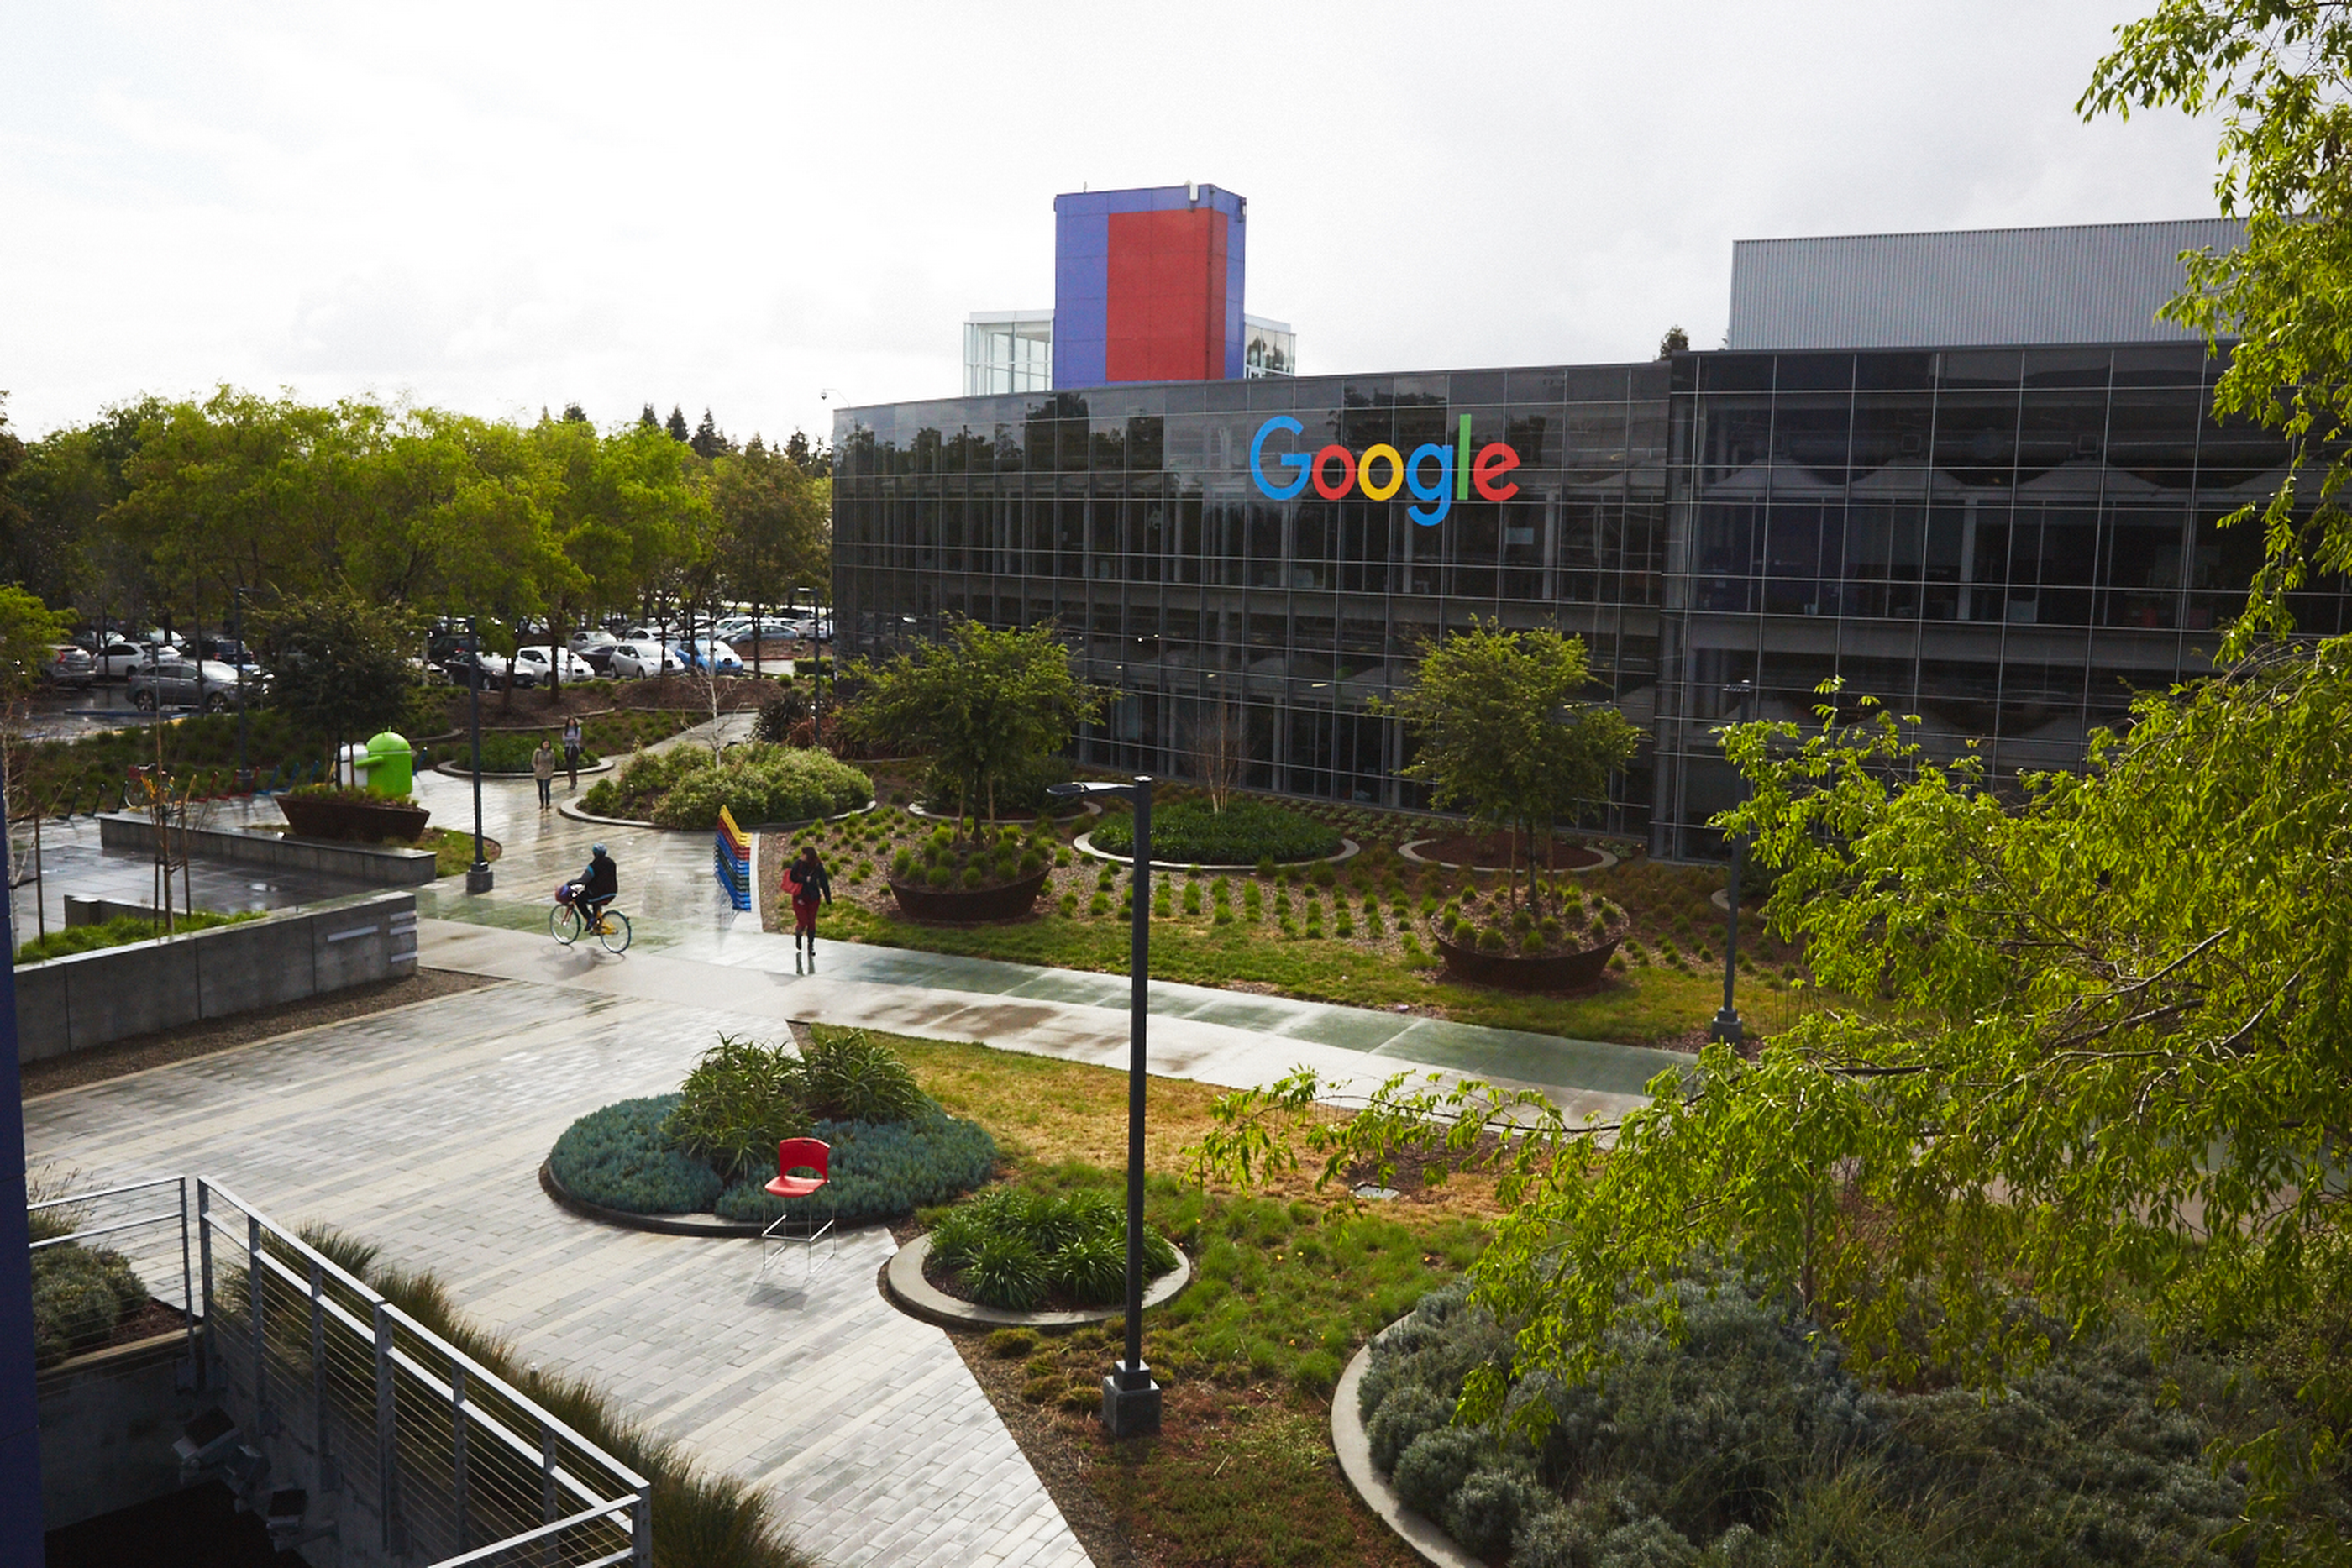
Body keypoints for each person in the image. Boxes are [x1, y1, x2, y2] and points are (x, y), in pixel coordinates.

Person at [786, 844, 832, 954]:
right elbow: (792, 877)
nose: (801, 856)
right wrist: (804, 879)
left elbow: (823, 881)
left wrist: (828, 897)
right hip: (800, 897)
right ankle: (799, 934)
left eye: (803, 854)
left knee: (811, 921)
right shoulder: (798, 864)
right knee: (803, 921)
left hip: (813, 897)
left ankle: (810, 946)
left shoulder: (818, 866)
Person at [570, 843, 618, 932]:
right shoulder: (612, 863)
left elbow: (584, 880)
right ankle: (597, 926)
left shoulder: (593, 866)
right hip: (612, 893)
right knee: (595, 901)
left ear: (594, 853)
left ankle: (590, 918)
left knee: (579, 899)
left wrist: (573, 882)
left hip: (598, 894)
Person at [532, 737, 555, 810]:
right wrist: (536, 768)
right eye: (545, 744)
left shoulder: (551, 752)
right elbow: (533, 762)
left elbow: (553, 762)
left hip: (548, 772)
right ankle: (542, 803)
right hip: (539, 772)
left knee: (547, 788)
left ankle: (547, 803)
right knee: (541, 788)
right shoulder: (537, 752)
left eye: (547, 744)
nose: (546, 745)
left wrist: (551, 769)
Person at [562, 716, 583, 789]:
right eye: (570, 721)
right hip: (568, 747)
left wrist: (570, 739)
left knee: (573, 765)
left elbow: (577, 739)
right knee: (569, 765)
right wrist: (572, 738)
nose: (571, 723)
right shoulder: (566, 730)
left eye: (572, 721)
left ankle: (574, 780)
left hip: (574, 748)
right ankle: (571, 780)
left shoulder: (578, 729)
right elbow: (564, 739)